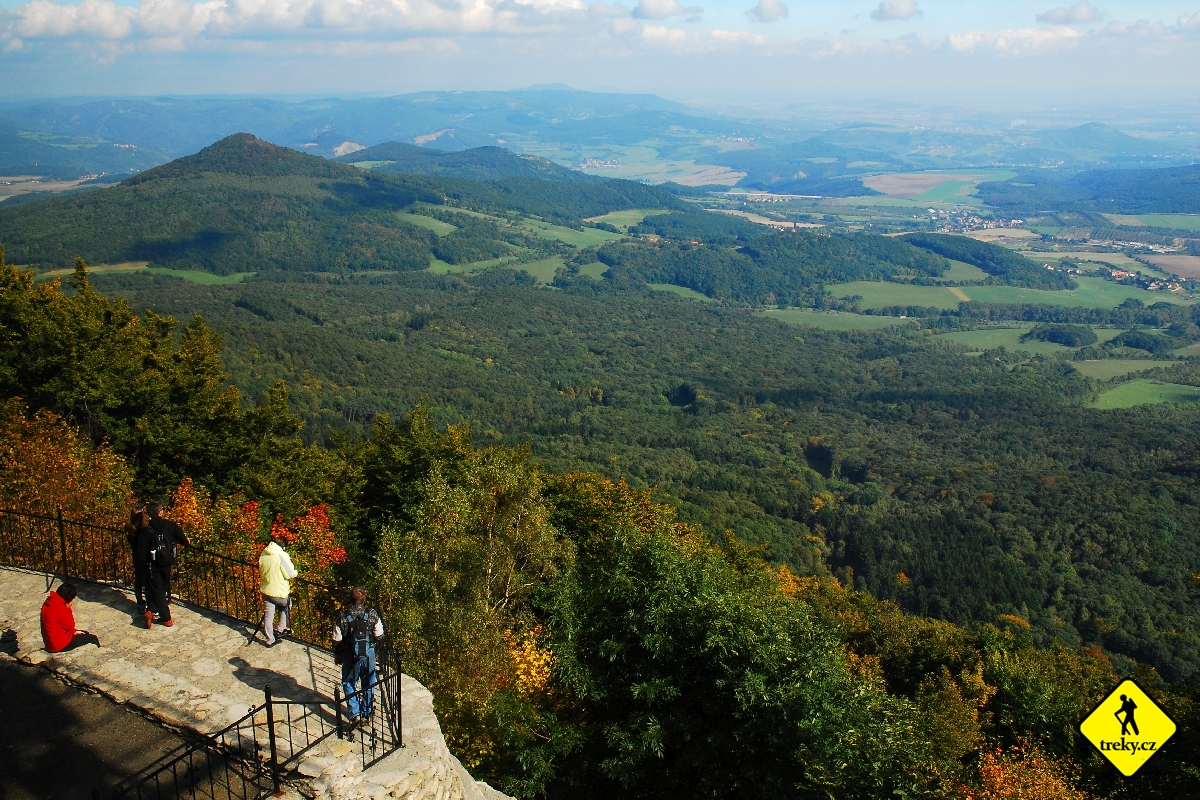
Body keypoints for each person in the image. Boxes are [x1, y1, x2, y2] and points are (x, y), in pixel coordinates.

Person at [333, 588, 384, 728]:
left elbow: (337, 639)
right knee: (368, 683)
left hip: (350, 655)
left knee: (349, 682)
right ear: (364, 600)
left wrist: (338, 654)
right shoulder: (372, 614)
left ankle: (355, 713)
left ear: (350, 599)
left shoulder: (343, 616)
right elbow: (380, 635)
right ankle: (366, 714)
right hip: (368, 655)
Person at [138, 501, 190, 628]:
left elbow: (141, 554)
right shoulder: (170, 526)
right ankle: (165, 618)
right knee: (162, 588)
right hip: (167, 562)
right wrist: (187, 540)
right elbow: (184, 541)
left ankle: (152, 612)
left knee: (157, 589)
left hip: (152, 564)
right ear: (160, 512)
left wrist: (143, 567)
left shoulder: (146, 531)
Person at [259, 527, 297, 647]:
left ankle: (270, 639)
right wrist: (295, 572)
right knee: (287, 604)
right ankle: (281, 629)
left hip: (266, 590)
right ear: (283, 546)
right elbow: (290, 573)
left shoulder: (264, 553)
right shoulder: (281, 555)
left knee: (269, 615)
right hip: (279, 592)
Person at [40, 584, 100, 653]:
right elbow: (70, 625)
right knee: (92, 638)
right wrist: (68, 607)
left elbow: (64, 626)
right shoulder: (59, 608)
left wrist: (74, 631)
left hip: (50, 643)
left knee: (84, 633)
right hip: (60, 645)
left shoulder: (50, 602)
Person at [124, 507, 149, 615]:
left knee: (138, 579)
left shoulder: (129, 528)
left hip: (135, 556)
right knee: (148, 580)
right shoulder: (143, 530)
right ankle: (149, 603)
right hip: (145, 556)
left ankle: (140, 603)